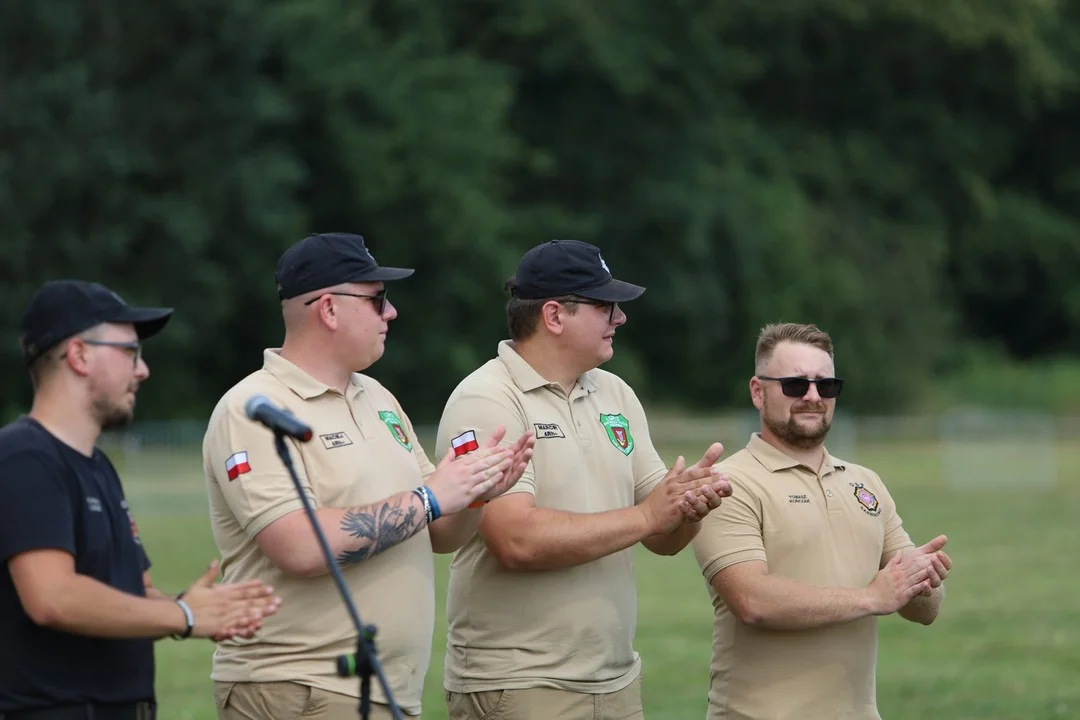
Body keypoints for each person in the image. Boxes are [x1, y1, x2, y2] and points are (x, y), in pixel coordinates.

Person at [202, 232, 534, 720]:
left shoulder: (377, 397)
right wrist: (431, 497)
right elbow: (299, 546)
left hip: (383, 691)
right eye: (377, 299)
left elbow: (440, 531)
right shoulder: (253, 409)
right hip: (299, 688)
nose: (391, 312)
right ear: (329, 310)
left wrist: (477, 492)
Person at [434, 239, 734, 720]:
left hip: (615, 680)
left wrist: (687, 505)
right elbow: (516, 539)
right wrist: (648, 514)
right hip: (521, 685)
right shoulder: (486, 399)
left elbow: (662, 536)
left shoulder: (615, 392)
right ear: (554, 316)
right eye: (606, 306)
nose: (620, 318)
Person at [0, 279, 282, 720]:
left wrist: (190, 607)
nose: (142, 369)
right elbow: (52, 596)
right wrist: (184, 615)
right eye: (130, 352)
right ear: (78, 355)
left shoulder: (98, 466)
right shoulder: (24, 457)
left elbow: (136, 592)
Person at [690, 322, 952, 720]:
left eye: (825, 386)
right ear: (758, 392)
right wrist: (872, 597)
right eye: (795, 385)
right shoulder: (728, 484)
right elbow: (753, 601)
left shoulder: (866, 483)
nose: (813, 397)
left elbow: (924, 611)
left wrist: (922, 579)